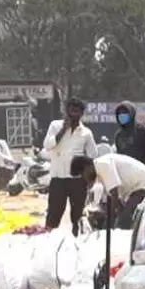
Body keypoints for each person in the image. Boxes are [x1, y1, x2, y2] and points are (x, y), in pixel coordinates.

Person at [42, 97, 97, 235]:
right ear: (66, 112)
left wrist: (89, 179)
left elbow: (92, 156)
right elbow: (47, 145)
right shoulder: (55, 126)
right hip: (58, 178)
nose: (73, 114)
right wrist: (63, 130)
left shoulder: (86, 133)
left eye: (76, 112)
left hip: (77, 180)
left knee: (77, 214)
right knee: (54, 211)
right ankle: (48, 238)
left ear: (81, 114)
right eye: (70, 111)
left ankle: (77, 237)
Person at [71, 152, 145, 230]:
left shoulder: (102, 165)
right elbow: (116, 202)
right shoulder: (100, 172)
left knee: (124, 221)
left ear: (86, 167)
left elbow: (114, 195)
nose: (84, 179)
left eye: (82, 175)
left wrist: (109, 221)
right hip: (138, 188)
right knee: (123, 219)